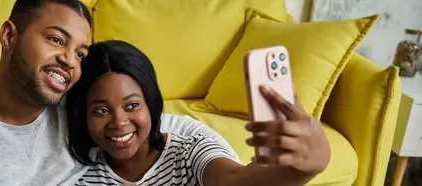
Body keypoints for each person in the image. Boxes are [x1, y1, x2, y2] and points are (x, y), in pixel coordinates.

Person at [0, 0, 231, 185]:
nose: (69, 61)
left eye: (80, 53)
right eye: (56, 40)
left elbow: (141, 119)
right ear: (9, 36)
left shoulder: (78, 116)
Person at [65, 40, 331, 186]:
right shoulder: (79, 174)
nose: (119, 122)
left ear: (152, 104)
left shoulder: (189, 152)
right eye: (101, 110)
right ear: (83, 117)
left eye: (132, 105)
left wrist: (307, 167)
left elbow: (235, 182)